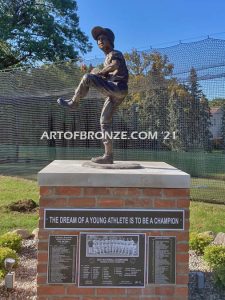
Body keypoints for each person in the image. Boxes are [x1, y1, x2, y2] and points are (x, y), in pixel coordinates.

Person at [57, 26, 129, 164]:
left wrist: (99, 73)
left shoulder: (115, 53)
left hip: (118, 88)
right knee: (104, 122)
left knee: (87, 78)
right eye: (97, 40)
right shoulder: (106, 58)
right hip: (114, 94)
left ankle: (74, 102)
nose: (99, 41)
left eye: (102, 38)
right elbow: (108, 74)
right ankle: (108, 156)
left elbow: (114, 65)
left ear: (110, 40)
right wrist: (99, 73)